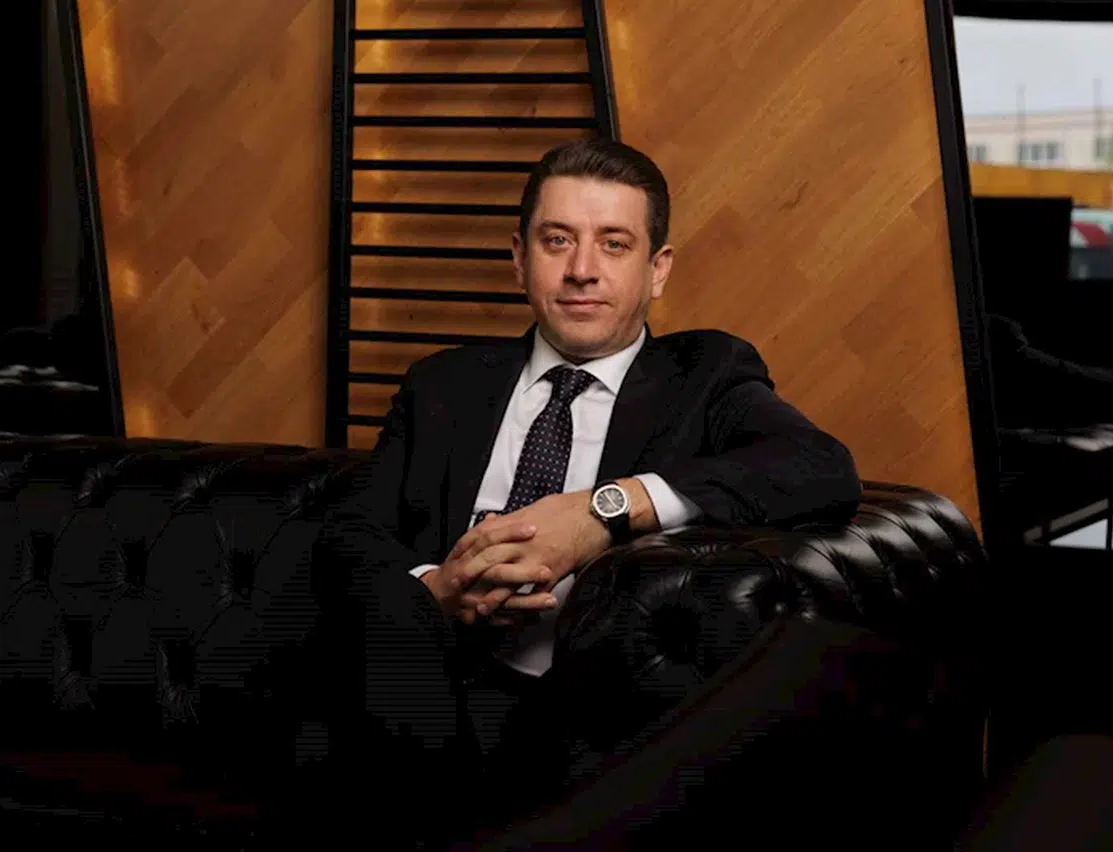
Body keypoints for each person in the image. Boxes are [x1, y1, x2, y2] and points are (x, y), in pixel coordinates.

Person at [309, 137, 863, 849]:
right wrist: (435, 591)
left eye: (614, 244)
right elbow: (348, 535)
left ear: (657, 269)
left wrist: (606, 510)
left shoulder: (705, 375)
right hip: (423, 685)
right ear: (519, 258)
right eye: (557, 240)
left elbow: (820, 465)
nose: (581, 270)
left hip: (583, 720)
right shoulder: (442, 385)